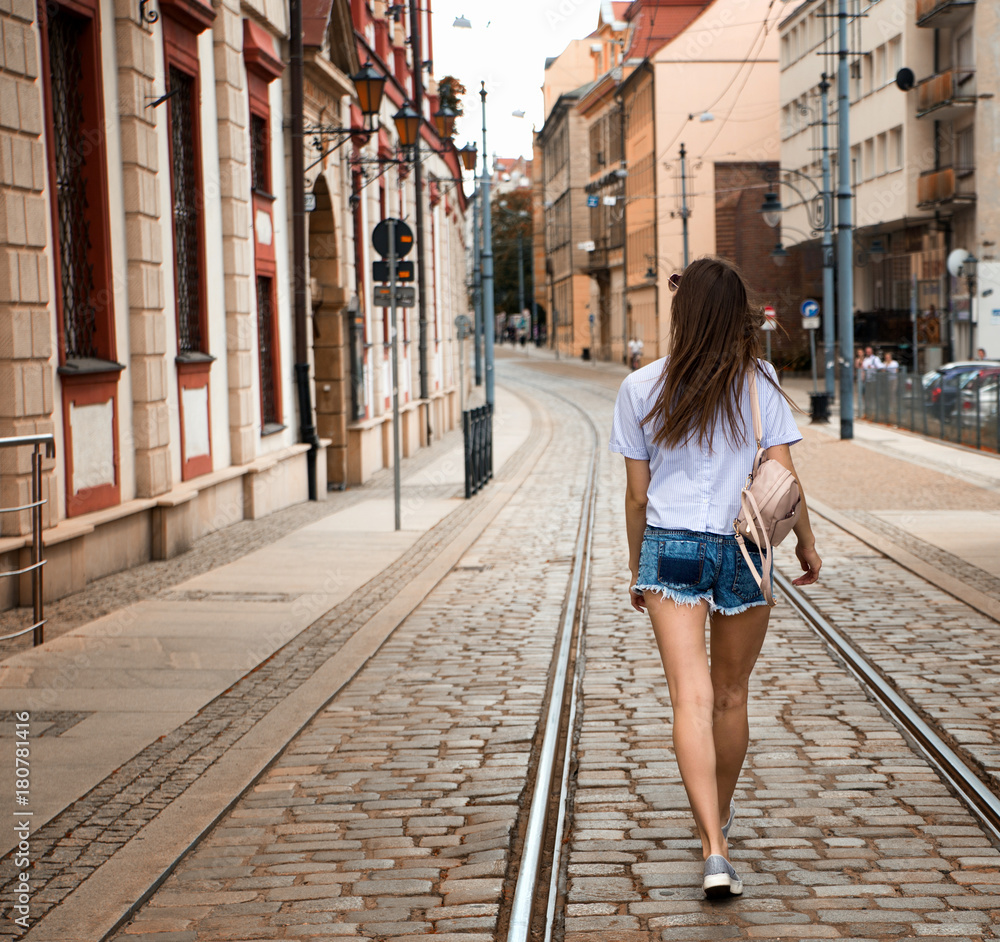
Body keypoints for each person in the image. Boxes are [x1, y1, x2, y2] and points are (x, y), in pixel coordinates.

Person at [609, 257, 821, 900]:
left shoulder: (642, 387)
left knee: (691, 700)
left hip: (670, 547)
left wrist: (636, 566)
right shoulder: (760, 380)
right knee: (731, 696)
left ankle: (714, 848)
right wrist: (807, 544)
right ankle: (717, 826)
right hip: (747, 550)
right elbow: (783, 480)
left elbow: (638, 497)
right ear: (738, 317)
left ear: (680, 314)